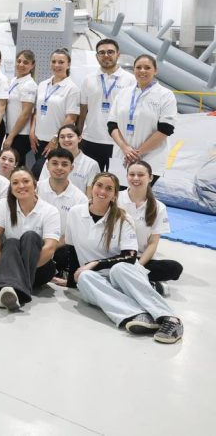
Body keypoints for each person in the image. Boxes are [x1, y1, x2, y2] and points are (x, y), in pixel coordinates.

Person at [61, 172, 183, 343]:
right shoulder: (75, 213)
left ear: (115, 195)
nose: (102, 191)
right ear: (92, 187)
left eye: (109, 188)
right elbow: (72, 250)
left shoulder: (123, 218)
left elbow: (130, 257)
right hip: (96, 279)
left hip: (120, 273)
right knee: (84, 276)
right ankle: (138, 315)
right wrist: (70, 282)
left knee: (119, 269)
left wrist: (95, 263)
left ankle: (170, 319)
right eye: (99, 185)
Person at [0, 168, 60, 312]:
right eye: (15, 183)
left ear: (35, 184)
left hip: (39, 269)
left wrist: (18, 270)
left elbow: (50, 248)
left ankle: (9, 289)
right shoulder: (4, 204)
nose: (21, 186)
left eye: (25, 181)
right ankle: (15, 292)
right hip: (4, 263)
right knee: (11, 242)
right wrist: (4, 264)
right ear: (11, 188)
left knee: (30, 236)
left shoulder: (50, 210)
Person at [108, 54, 177, 185]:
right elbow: (112, 124)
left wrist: (138, 153)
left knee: (140, 198)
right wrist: (125, 148)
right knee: (119, 198)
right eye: (138, 67)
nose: (142, 71)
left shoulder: (165, 95)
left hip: (150, 157)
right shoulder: (123, 93)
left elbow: (166, 129)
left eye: (147, 67)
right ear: (134, 70)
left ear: (155, 70)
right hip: (122, 155)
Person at [119, 160, 182, 294]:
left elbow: (153, 243)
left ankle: (130, 279)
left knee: (175, 268)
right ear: (126, 176)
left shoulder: (158, 207)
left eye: (141, 175)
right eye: (132, 174)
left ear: (150, 177)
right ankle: (145, 284)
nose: (136, 178)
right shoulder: (116, 199)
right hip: (113, 256)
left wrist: (139, 267)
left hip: (139, 259)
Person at [78, 38, 134, 172]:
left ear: (118, 54)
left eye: (110, 52)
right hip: (90, 140)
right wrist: (79, 135)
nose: (106, 55)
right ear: (97, 56)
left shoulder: (130, 80)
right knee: (89, 182)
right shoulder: (88, 80)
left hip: (118, 143)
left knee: (116, 184)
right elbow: (83, 111)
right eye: (102, 53)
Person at [30, 48, 80, 176]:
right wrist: (32, 132)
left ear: (68, 64)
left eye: (61, 62)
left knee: (39, 172)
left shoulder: (72, 88)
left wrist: (56, 138)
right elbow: (37, 111)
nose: (56, 65)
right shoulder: (42, 84)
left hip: (57, 142)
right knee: (42, 176)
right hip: (38, 140)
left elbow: (71, 118)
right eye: (54, 61)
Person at [35, 147, 89, 233]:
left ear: (71, 168)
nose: (59, 168)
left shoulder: (81, 199)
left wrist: (54, 245)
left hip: (64, 244)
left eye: (64, 164)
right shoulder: (34, 189)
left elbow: (78, 230)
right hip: (33, 240)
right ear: (47, 166)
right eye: (55, 163)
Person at [2, 49, 37, 168]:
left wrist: (11, 136)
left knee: (16, 167)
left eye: (26, 62)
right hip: (11, 131)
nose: (21, 64)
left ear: (32, 65)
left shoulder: (29, 85)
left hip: (21, 134)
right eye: (19, 61)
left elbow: (26, 113)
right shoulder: (14, 81)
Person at [56, 124, 101, 193]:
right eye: (62, 137)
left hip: (79, 203)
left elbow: (91, 195)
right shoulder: (51, 161)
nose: (66, 139)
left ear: (79, 138)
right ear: (58, 140)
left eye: (70, 136)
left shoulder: (91, 164)